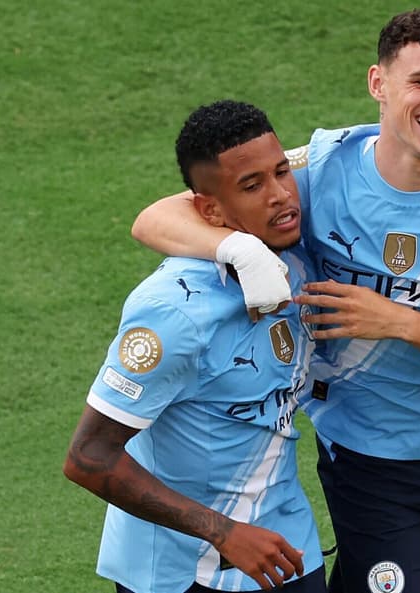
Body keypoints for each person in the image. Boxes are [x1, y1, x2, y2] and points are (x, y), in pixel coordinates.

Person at [130, 9, 420, 593]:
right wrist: (242, 253)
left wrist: (398, 321)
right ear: (378, 84)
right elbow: (159, 216)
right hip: (366, 453)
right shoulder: (324, 167)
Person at [63, 99, 326, 593]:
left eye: (280, 173)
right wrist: (224, 533)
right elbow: (88, 456)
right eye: (252, 186)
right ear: (208, 209)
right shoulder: (173, 313)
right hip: (182, 571)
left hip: (285, 546)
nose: (281, 196)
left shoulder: (290, 245)